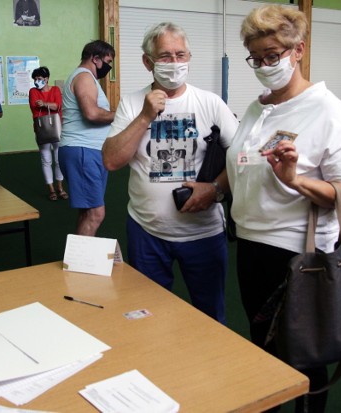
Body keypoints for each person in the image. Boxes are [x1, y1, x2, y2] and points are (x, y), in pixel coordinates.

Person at [225, 5, 341, 412]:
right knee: (263, 345)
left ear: (298, 50)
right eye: (256, 57)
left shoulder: (328, 110)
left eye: (273, 55)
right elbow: (242, 164)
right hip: (250, 244)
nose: (264, 66)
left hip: (298, 253)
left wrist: (296, 179)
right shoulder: (258, 107)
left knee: (304, 356)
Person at [102, 22, 239, 324]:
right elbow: (112, 160)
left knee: (211, 318)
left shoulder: (210, 103)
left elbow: (242, 159)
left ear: (189, 58)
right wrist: (145, 117)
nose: (174, 63)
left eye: (181, 55)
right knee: (148, 316)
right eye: (165, 56)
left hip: (204, 232)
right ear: (147, 61)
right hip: (147, 231)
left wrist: (215, 189)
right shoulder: (132, 103)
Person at [59, 40, 116, 236]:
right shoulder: (84, 77)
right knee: (96, 213)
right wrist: (123, 114)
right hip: (82, 150)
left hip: (88, 151)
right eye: (107, 61)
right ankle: (81, 264)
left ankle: (76, 258)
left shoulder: (88, 79)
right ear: (95, 58)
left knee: (87, 211)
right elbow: (91, 114)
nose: (108, 67)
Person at [28, 66, 68, 201]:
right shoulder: (33, 91)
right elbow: (34, 107)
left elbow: (57, 106)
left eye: (39, 79)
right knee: (46, 160)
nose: (36, 82)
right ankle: (51, 189)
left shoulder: (55, 90)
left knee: (58, 159)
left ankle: (60, 187)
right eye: (35, 79)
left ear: (46, 79)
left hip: (57, 128)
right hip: (41, 129)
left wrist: (44, 104)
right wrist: (48, 105)